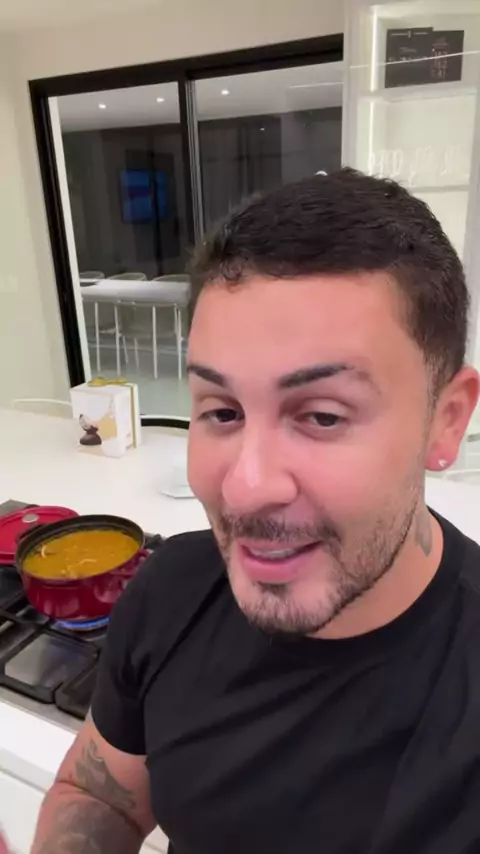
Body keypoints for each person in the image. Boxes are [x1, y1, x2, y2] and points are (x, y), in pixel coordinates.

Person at [31, 169, 480, 854]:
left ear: (445, 420)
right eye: (222, 411)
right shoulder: (171, 590)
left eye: (322, 415)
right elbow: (98, 796)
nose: (244, 488)